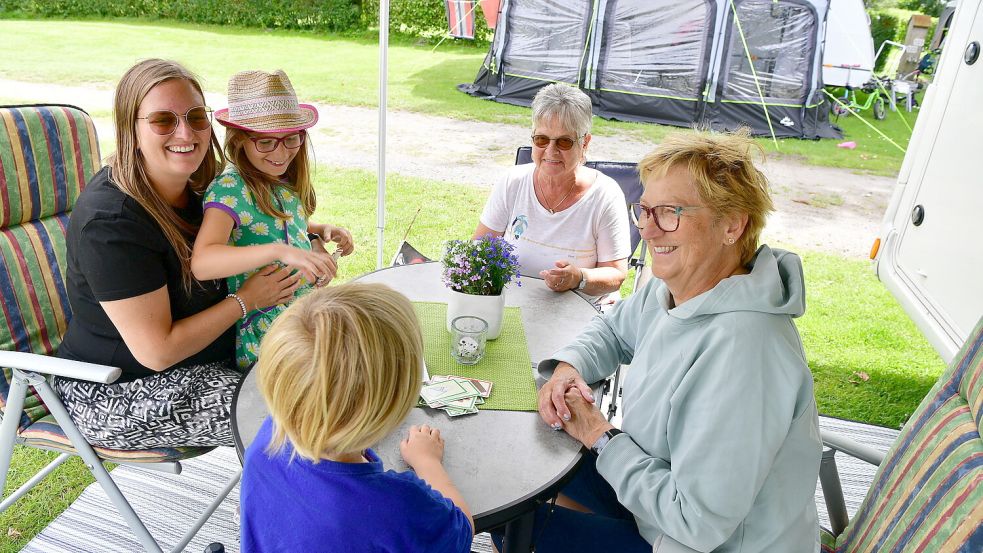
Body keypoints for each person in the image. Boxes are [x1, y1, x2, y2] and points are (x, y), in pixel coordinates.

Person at [528, 130, 822, 552]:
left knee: (525, 531)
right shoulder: (675, 285)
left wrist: (599, 433)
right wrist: (568, 369)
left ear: (732, 225)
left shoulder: (745, 352)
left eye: (669, 212)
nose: (647, 231)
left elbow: (698, 521)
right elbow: (614, 329)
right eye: (645, 210)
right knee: (542, 464)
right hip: (656, 503)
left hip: (697, 541)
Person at [55, 59, 299, 449]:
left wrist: (308, 236)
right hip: (118, 391)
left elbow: (248, 225)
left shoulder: (201, 181)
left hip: (210, 360)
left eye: (196, 117)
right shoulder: (110, 223)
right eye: (163, 120)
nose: (185, 132)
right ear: (130, 130)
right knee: (302, 413)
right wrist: (246, 301)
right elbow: (157, 352)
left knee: (333, 370)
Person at [241, 282, 474, 552]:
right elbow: (461, 531)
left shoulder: (266, 439)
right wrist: (427, 461)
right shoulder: (397, 505)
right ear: (393, 402)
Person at [191, 69, 354, 369]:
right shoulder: (230, 189)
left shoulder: (283, 181)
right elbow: (202, 262)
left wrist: (319, 233)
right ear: (239, 140)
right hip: (267, 334)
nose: (281, 152)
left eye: (291, 139)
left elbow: (283, 227)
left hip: (306, 314)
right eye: (265, 142)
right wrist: (283, 252)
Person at [473, 83, 630, 305]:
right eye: (542, 139)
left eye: (564, 141)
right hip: (513, 304)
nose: (551, 151)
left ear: (584, 143)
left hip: (580, 310)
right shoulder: (512, 182)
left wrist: (579, 278)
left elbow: (615, 274)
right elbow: (481, 246)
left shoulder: (605, 195)